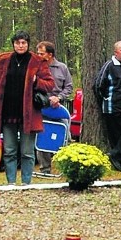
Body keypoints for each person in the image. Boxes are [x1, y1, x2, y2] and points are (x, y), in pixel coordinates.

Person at [0, 31, 54, 185]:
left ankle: (26, 182)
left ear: (28, 44)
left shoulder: (37, 61)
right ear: (13, 44)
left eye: (24, 43)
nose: (21, 45)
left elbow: (50, 84)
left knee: (27, 152)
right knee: (10, 151)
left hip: (29, 113)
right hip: (7, 112)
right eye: (18, 43)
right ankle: (11, 182)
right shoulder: (4, 60)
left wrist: (36, 81)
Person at [95, 41, 121, 171]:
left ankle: (113, 155)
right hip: (112, 107)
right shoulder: (109, 66)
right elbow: (98, 85)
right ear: (116, 52)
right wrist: (106, 99)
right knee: (117, 136)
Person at [35, 41, 74, 175]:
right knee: (42, 137)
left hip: (59, 110)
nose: (39, 56)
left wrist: (59, 98)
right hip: (42, 107)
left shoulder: (62, 68)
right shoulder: (36, 67)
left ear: (50, 54)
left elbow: (69, 86)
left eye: (42, 53)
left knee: (65, 137)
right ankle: (45, 169)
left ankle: (67, 167)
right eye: (37, 53)